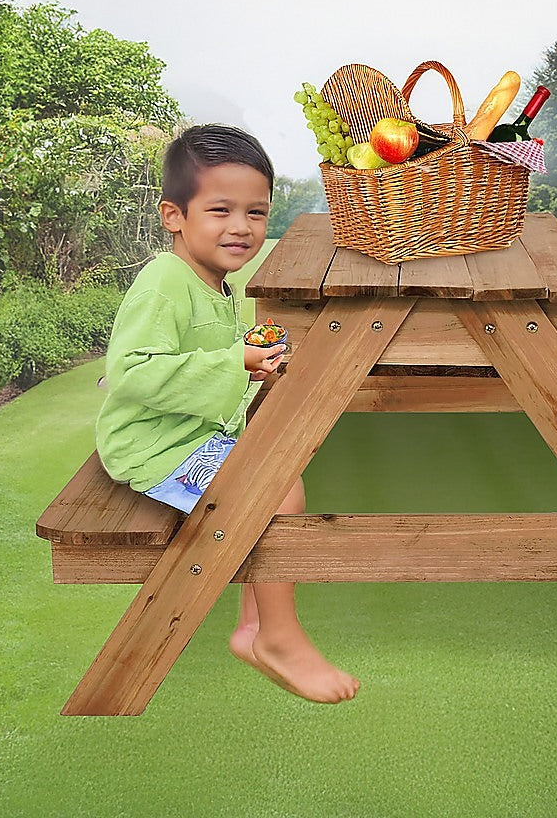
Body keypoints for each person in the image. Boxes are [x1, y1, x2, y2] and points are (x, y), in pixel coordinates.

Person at [96, 124, 359, 704]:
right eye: (221, 210)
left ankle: (252, 628)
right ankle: (279, 636)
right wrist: (233, 362)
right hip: (154, 448)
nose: (241, 227)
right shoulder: (163, 283)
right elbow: (132, 371)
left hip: (185, 433)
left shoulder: (211, 281)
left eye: (255, 213)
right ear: (174, 216)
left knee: (280, 459)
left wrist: (250, 363)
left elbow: (202, 355)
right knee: (276, 488)